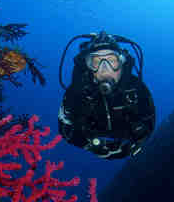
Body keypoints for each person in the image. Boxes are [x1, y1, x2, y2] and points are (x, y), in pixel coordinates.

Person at [58, 31, 155, 159]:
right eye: (96, 62)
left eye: (111, 60)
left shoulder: (136, 89)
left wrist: (133, 146)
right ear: (88, 66)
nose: (104, 69)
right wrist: (89, 145)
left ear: (122, 63)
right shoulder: (77, 91)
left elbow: (149, 123)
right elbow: (64, 127)